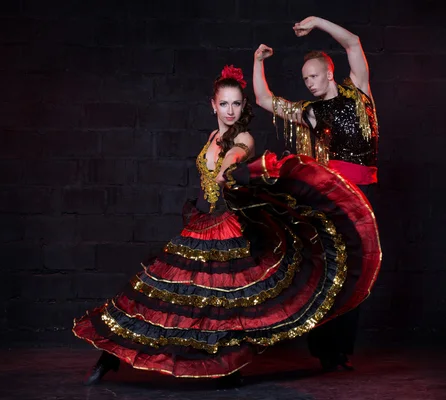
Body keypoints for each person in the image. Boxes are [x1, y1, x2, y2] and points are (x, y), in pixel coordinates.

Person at [73, 64, 381, 388]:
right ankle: (110, 357)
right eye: (225, 104)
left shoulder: (243, 138)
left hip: (228, 229)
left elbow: (238, 153)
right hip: (201, 224)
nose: (231, 110)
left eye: (236, 104)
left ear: (242, 107)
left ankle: (227, 367)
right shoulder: (211, 136)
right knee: (161, 293)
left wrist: (231, 164)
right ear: (214, 105)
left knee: (224, 303)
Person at [252, 16, 380, 372]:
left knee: (358, 271)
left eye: (312, 76)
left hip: (365, 192)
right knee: (332, 270)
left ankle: (340, 350)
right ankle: (327, 351)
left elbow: (353, 41)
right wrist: (258, 62)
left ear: (328, 73)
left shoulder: (359, 91)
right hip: (334, 197)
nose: (308, 83)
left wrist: (318, 23)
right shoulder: (311, 113)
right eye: (304, 79)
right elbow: (264, 99)